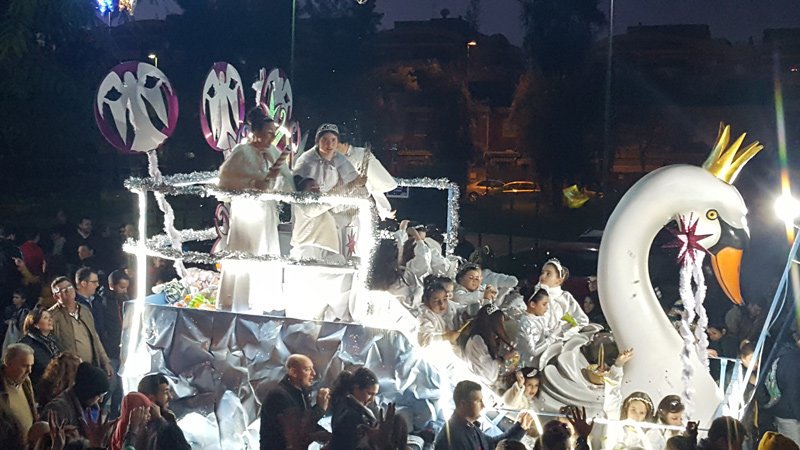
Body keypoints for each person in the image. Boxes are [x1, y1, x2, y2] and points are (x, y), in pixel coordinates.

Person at [217, 107, 294, 313]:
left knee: (265, 250)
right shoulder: (242, 152)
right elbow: (227, 180)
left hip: (266, 213)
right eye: (268, 133)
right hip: (247, 213)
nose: (271, 137)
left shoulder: (272, 152)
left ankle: (262, 301)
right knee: (246, 252)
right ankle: (239, 301)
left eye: (273, 133)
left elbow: (285, 179)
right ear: (257, 132)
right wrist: (252, 183)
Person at [260, 354, 331, 450]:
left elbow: (308, 425)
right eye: (307, 369)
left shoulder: (301, 394)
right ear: (293, 372)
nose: (313, 374)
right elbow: (298, 430)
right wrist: (320, 408)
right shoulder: (279, 396)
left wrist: (331, 438)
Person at [434, 380, 532, 449]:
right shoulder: (450, 439)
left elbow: (491, 444)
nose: (483, 405)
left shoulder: (470, 427)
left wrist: (520, 428)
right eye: (478, 401)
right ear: (463, 404)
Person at [48, 276, 112, 378]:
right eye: (63, 290)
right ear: (56, 296)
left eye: (69, 287)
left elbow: (95, 337)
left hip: (91, 366)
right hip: (69, 371)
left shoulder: (85, 310)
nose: (68, 291)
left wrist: (105, 361)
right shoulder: (52, 316)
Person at [337, 139, 398, 220]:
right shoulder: (335, 157)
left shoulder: (361, 154)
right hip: (342, 199)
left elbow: (373, 183)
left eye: (336, 145)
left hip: (360, 199)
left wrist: (384, 209)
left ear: (345, 143)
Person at [457, 304, 517, 384]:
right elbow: (487, 373)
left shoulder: (485, 339)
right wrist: (504, 358)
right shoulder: (477, 341)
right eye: (500, 323)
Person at [41, 361, 109, 428]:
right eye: (99, 396)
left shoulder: (92, 408)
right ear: (89, 392)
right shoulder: (57, 409)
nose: (101, 400)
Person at [289, 176, 341, 262]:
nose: (317, 190)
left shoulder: (320, 209)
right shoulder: (303, 204)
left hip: (320, 249)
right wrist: (351, 186)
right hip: (307, 249)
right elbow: (327, 202)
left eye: (318, 187)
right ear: (303, 191)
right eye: (312, 187)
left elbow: (338, 217)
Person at [329, 367, 381, 450]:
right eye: (369, 394)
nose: (372, 400)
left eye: (375, 395)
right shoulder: (351, 415)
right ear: (356, 388)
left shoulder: (344, 405)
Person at [102, 269, 129, 419]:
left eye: (126, 287)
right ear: (112, 285)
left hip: (123, 349)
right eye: (122, 287)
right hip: (110, 350)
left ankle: (115, 414)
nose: (125, 290)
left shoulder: (125, 300)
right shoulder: (104, 302)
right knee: (110, 385)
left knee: (120, 386)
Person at [536, 259, 589, 332]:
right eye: (542, 273)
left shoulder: (565, 297)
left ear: (559, 280)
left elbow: (581, 320)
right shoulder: (533, 294)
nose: (543, 276)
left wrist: (566, 331)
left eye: (548, 274)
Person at [0, 343, 36, 446]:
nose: (29, 371)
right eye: (24, 365)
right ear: (8, 363)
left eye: (31, 366)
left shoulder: (26, 382)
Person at [18, 306, 62, 385]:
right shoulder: (26, 344)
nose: (50, 320)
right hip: (38, 387)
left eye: (50, 317)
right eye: (45, 318)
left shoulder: (54, 340)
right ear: (36, 324)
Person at [515, 288, 560, 366]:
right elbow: (533, 351)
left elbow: (546, 334)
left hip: (538, 361)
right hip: (526, 365)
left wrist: (563, 328)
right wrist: (553, 336)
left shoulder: (538, 318)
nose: (547, 308)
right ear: (532, 304)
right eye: (544, 304)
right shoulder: (526, 323)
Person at [417, 277, 463, 347]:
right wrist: (445, 337)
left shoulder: (449, 304)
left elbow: (461, 309)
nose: (441, 303)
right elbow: (424, 341)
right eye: (436, 301)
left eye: (444, 299)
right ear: (426, 301)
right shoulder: (425, 316)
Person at [74, 267, 105, 344]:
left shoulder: (98, 300)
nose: (97, 285)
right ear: (83, 283)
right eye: (94, 282)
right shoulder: (74, 303)